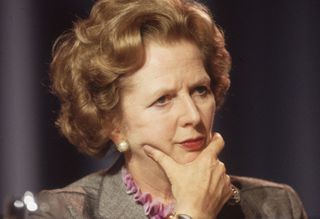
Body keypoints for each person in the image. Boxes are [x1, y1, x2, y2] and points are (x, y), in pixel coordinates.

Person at [27, 0, 307, 218]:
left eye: (200, 90)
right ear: (112, 122)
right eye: (163, 99)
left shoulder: (277, 206)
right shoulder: (63, 211)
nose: (193, 116)